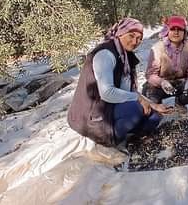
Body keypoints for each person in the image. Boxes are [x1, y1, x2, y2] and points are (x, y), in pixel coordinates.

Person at [68, 18, 173, 148]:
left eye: (139, 38)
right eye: (131, 35)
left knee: (155, 117)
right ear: (120, 33)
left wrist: (153, 105)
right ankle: (109, 138)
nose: (135, 41)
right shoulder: (105, 54)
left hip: (111, 107)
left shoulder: (125, 56)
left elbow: (128, 90)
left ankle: (133, 136)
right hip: (90, 116)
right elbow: (107, 93)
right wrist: (139, 100)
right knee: (136, 108)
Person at [144, 15, 188, 114]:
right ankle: (158, 108)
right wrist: (162, 82)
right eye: (173, 29)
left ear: (184, 32)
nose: (176, 32)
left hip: (181, 83)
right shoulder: (157, 48)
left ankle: (180, 102)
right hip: (161, 85)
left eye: (179, 29)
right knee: (147, 94)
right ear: (168, 31)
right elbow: (150, 75)